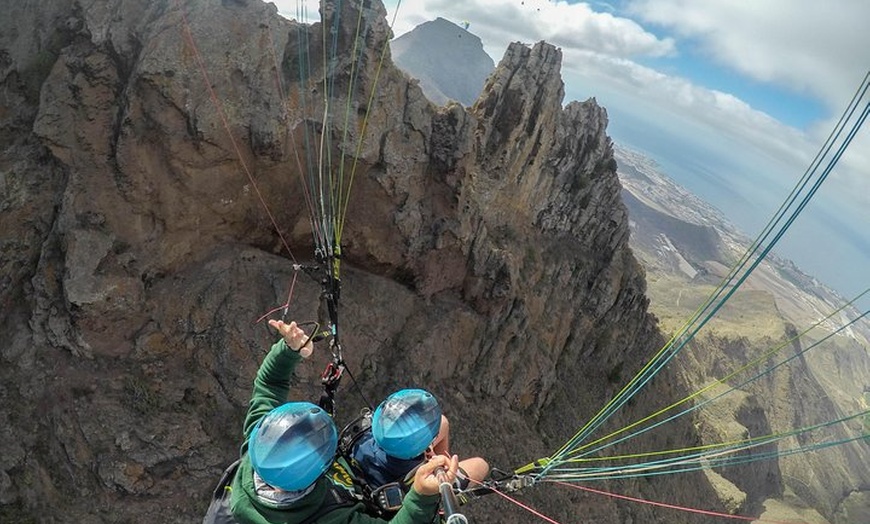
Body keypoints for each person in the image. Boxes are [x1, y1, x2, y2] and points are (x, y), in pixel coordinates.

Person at [205, 319, 460, 524]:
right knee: (476, 464)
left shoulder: (255, 454)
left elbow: (269, 386)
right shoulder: (328, 517)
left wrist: (287, 351)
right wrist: (420, 496)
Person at [348, 389, 490, 494]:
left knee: (444, 423)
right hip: (407, 479)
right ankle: (443, 475)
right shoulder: (411, 476)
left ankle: (441, 463)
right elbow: (481, 466)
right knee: (480, 465)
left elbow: (442, 423)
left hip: (374, 469)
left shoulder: (364, 439)